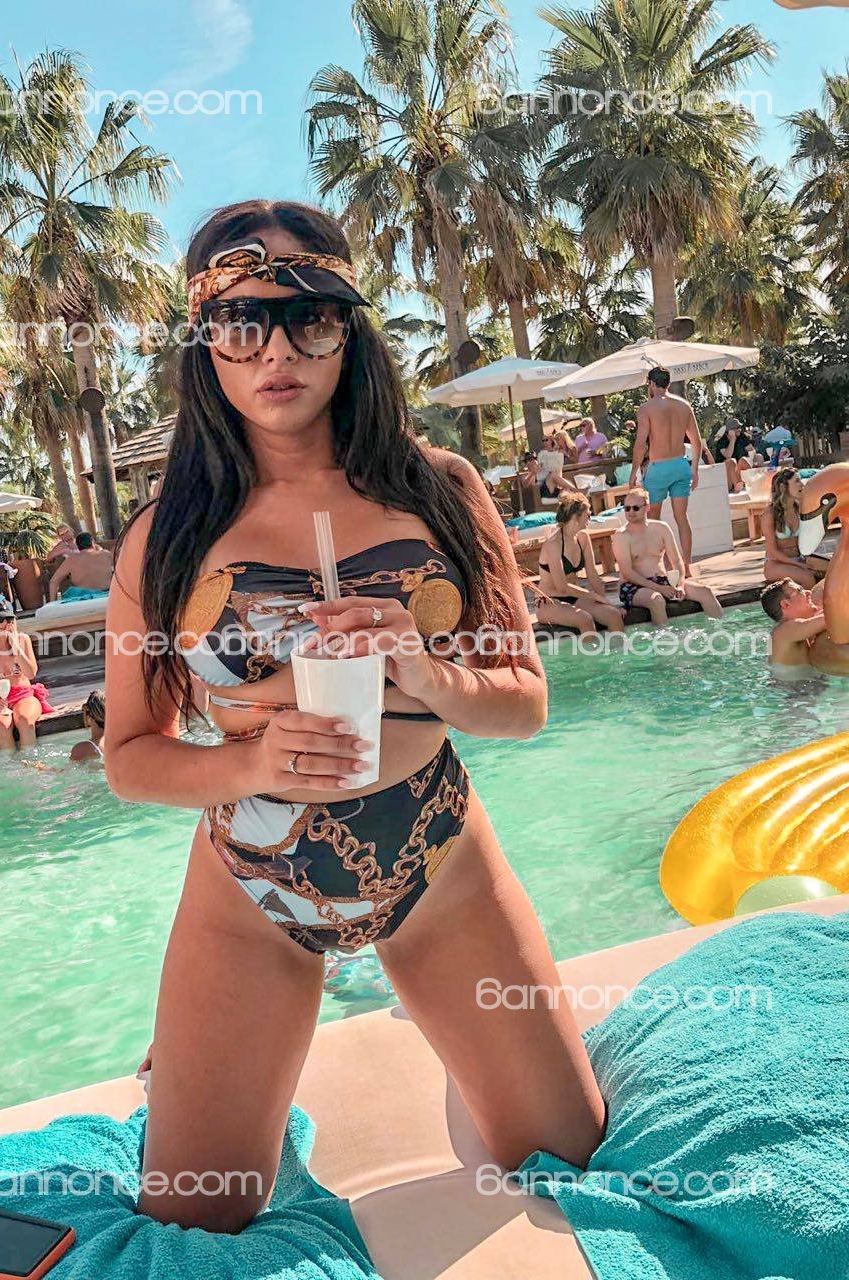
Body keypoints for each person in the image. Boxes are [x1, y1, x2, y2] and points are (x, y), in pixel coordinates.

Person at [105, 200, 604, 1231]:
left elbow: (524, 706)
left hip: (438, 859)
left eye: (311, 317)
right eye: (242, 320)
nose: (277, 350)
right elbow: (129, 757)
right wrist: (250, 764)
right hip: (252, 888)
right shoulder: (165, 536)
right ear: (205, 341)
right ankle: (216, 1078)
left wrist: (425, 668)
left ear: (349, 329)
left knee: (565, 1156)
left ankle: (464, 1062)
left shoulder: (441, 488)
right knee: (194, 1219)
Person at [612, 486, 723, 623]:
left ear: (647, 507)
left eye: (635, 508)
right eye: (627, 508)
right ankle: (666, 636)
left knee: (705, 591)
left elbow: (677, 561)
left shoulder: (661, 528)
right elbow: (627, 573)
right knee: (657, 600)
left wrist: (680, 585)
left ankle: (720, 630)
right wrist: (660, 589)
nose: (631, 512)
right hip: (632, 586)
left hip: (662, 581)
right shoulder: (622, 536)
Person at [629, 366, 704, 569]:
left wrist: (634, 471)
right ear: (668, 383)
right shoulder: (684, 406)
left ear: (652, 384)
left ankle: (663, 567)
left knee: (654, 519)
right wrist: (695, 469)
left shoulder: (646, 408)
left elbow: (641, 444)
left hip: (659, 468)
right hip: (680, 465)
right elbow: (697, 441)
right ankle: (686, 566)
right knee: (682, 518)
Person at [535, 493, 625, 636]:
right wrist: (594, 596)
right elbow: (562, 587)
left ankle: (619, 649)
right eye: (587, 515)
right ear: (576, 518)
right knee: (585, 619)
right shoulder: (553, 544)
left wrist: (605, 601)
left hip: (574, 597)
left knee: (613, 615)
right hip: (548, 601)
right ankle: (591, 651)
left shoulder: (583, 538)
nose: (590, 518)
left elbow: (593, 575)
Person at [0, 599, 54, 749]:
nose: (5, 624)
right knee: (3, 725)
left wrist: (16, 648)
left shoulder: (23, 639)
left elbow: (30, 674)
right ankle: (9, 763)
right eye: (0, 620)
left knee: (24, 721)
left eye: (9, 619)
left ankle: (31, 760)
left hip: (23, 695)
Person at [762, 468, 828, 590]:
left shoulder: (800, 508)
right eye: (797, 481)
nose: (802, 484)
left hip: (800, 559)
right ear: (783, 487)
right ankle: (808, 603)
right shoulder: (770, 514)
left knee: (836, 568)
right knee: (807, 577)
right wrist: (799, 565)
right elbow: (772, 551)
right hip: (776, 563)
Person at [761, 578, 828, 680]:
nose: (808, 592)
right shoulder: (784, 631)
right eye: (800, 590)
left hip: (805, 685)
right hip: (795, 689)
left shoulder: (797, 630)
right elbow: (830, 619)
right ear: (786, 604)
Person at [48, 531, 114, 600]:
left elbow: (53, 581)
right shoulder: (106, 554)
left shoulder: (71, 560)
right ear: (92, 543)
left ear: (78, 546)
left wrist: (53, 603)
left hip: (82, 599)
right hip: (106, 596)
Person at [709, 417, 750, 492]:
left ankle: (753, 483)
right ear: (730, 430)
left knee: (743, 460)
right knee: (731, 461)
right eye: (737, 428)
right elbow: (728, 455)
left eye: (740, 427)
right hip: (725, 477)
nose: (740, 429)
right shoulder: (722, 441)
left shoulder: (741, 437)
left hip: (736, 473)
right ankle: (736, 488)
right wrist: (732, 439)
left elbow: (751, 450)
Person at [70, 690, 105, 763]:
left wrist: (45, 768)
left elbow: (68, 769)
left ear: (88, 717)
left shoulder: (82, 748)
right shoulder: (122, 741)